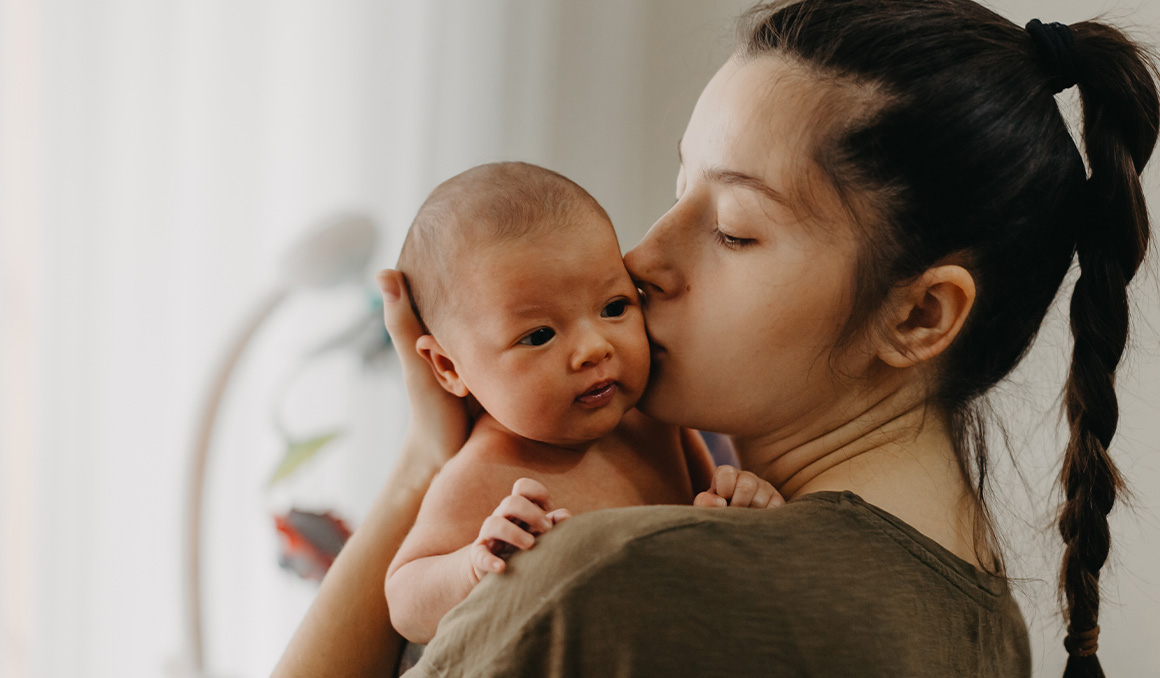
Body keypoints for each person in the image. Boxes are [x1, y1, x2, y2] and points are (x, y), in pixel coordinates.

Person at [272, 1, 1159, 677]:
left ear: (920, 316)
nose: (642, 257)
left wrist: (428, 468)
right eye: (676, 186)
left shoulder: (610, 582)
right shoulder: (979, 620)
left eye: (733, 228)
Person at [383, 161, 776, 645]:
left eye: (614, 307)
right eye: (540, 335)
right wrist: (473, 566)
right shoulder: (481, 472)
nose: (594, 348)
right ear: (448, 368)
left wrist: (738, 512)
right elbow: (404, 602)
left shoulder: (652, 426)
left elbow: (702, 514)